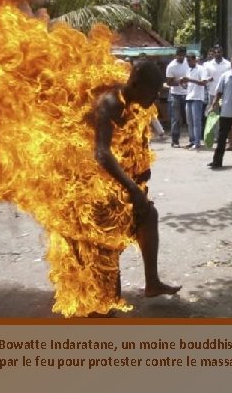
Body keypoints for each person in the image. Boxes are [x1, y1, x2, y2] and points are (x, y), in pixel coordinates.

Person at [53, 60, 181, 315]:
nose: (156, 97)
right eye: (152, 91)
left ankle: (152, 282)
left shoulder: (136, 104)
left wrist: (137, 178)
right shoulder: (110, 103)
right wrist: (132, 188)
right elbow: (101, 153)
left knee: (148, 216)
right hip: (90, 186)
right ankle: (100, 301)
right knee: (105, 247)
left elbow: (131, 145)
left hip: (117, 184)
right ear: (135, 84)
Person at [203, 44, 232, 150]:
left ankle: (224, 137)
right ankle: (216, 136)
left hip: (225, 94)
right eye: (215, 52)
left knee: (225, 116)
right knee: (213, 116)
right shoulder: (207, 65)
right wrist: (208, 79)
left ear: (222, 52)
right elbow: (204, 77)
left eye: (219, 52)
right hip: (212, 93)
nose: (217, 53)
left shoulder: (228, 64)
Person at [181, 52, 209, 150]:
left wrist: (190, 80)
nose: (188, 63)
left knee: (196, 121)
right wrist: (183, 83)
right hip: (189, 97)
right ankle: (192, 140)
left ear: (194, 60)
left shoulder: (201, 69)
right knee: (190, 121)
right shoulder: (188, 70)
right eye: (187, 61)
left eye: (189, 60)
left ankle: (197, 142)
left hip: (197, 98)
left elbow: (203, 83)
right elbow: (187, 85)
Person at [165, 47, 189, 148]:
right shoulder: (171, 66)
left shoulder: (188, 63)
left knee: (189, 118)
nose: (181, 57)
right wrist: (179, 82)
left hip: (188, 93)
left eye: (183, 55)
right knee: (176, 118)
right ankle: (175, 140)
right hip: (175, 95)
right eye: (180, 55)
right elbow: (169, 82)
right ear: (176, 55)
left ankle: (192, 140)